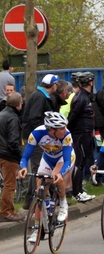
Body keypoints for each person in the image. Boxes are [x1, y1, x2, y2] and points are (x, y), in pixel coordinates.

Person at [19, 112, 75, 241]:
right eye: (61, 128)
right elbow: (25, 156)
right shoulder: (37, 134)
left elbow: (66, 160)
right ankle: (37, 229)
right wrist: (23, 167)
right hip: (48, 158)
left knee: (55, 176)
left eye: (65, 127)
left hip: (63, 158)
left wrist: (61, 174)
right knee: (39, 191)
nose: (64, 130)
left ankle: (63, 202)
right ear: (51, 130)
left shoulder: (66, 135)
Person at [21, 74, 59, 209]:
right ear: (53, 85)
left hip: (38, 137)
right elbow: (34, 118)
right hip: (37, 138)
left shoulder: (41, 96)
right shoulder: (40, 98)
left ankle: (44, 196)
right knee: (39, 168)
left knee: (43, 166)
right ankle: (33, 198)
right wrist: (45, 133)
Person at [67, 71, 96, 202]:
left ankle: (78, 190)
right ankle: (76, 192)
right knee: (79, 162)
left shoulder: (85, 96)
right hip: (80, 134)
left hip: (85, 133)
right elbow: (73, 116)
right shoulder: (81, 98)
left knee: (82, 162)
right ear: (90, 83)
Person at [0, 92, 24, 222]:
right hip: (8, 155)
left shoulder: (1, 114)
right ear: (19, 104)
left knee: (7, 184)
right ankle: (5, 212)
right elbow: (13, 141)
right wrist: (20, 155)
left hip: (1, 152)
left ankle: (10, 210)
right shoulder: (13, 118)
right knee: (10, 185)